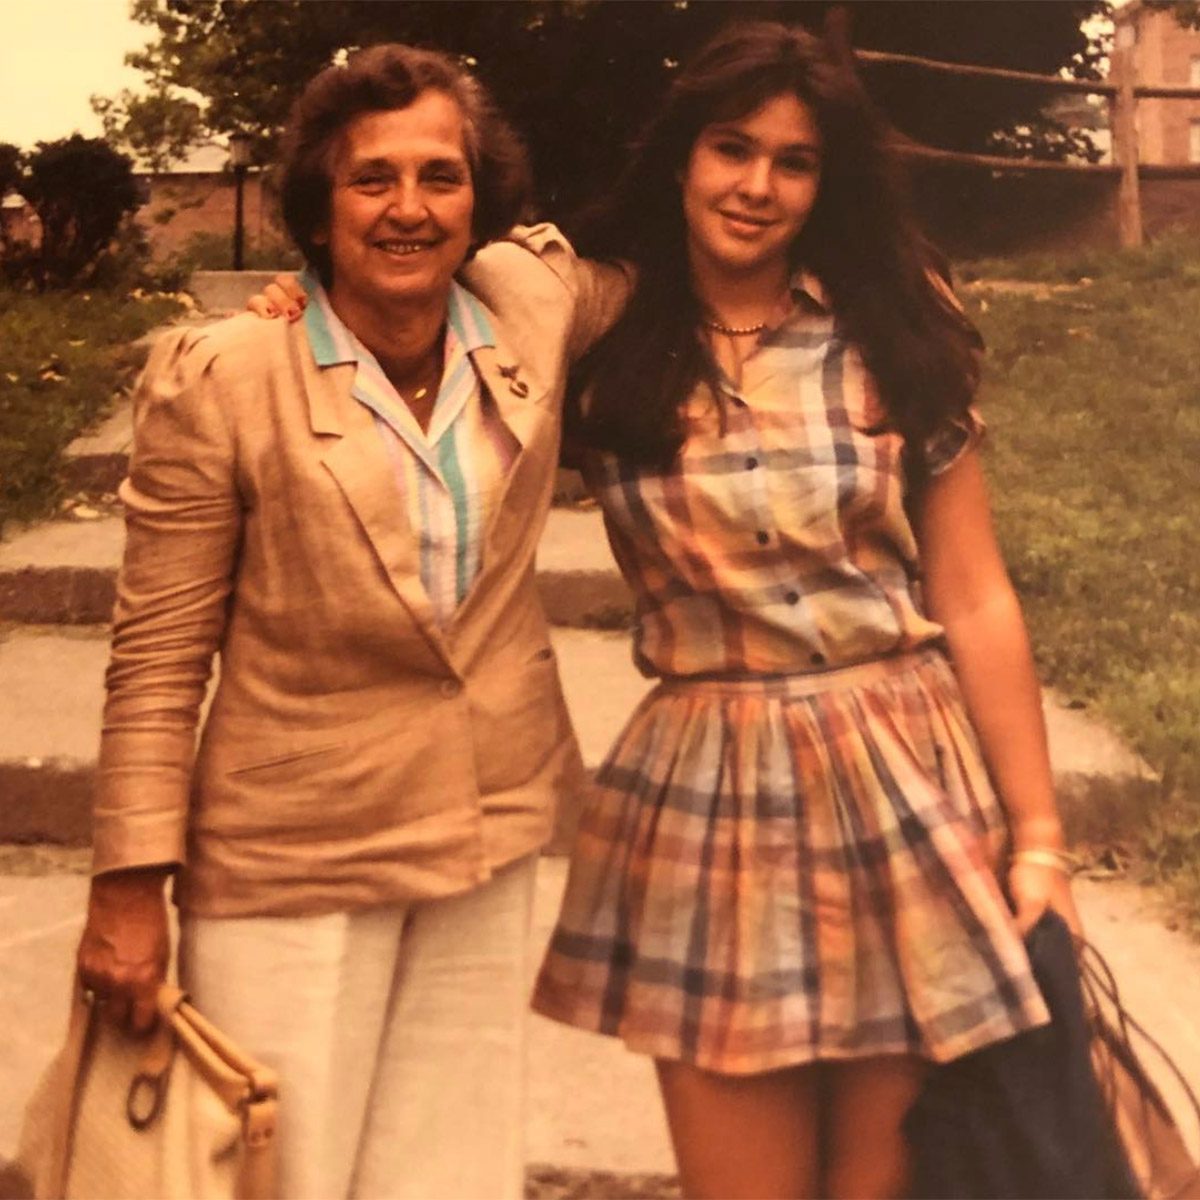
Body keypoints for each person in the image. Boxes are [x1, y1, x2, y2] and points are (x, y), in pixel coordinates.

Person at [251, 21, 1080, 1199]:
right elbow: (408, 298)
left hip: (906, 780)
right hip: (711, 796)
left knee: (890, 1182)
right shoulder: (600, 327)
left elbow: (975, 592)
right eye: (733, 148)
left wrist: (1038, 838)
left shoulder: (893, 320)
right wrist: (300, 304)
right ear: (684, 155)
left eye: (794, 162)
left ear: (827, 180)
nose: (757, 186)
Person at [74, 43, 625, 1200]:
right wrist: (128, 886)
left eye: (441, 176)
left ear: (479, 200)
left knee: (450, 1177)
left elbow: (686, 253)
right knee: (283, 1176)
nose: (409, 208)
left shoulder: (527, 304)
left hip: (483, 827)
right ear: (319, 209)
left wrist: (892, 279)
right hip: (292, 852)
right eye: (373, 178)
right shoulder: (225, 378)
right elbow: (158, 659)